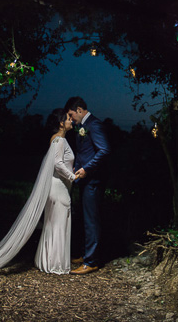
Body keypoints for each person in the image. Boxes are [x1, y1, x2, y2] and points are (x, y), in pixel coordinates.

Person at [0, 109, 81, 275]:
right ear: (61, 123)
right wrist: (73, 176)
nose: (71, 120)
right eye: (68, 118)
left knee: (52, 224)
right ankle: (55, 264)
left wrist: (70, 171)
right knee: (59, 225)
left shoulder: (55, 139)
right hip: (59, 188)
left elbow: (59, 163)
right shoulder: (60, 140)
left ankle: (46, 260)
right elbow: (58, 164)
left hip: (55, 186)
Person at [64, 96, 110, 275]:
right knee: (85, 219)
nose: (70, 119)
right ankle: (85, 255)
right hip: (85, 179)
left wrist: (87, 169)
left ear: (80, 110)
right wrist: (77, 167)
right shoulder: (83, 126)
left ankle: (91, 262)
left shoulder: (94, 125)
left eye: (71, 114)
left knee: (91, 221)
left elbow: (104, 150)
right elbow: (85, 151)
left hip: (93, 180)